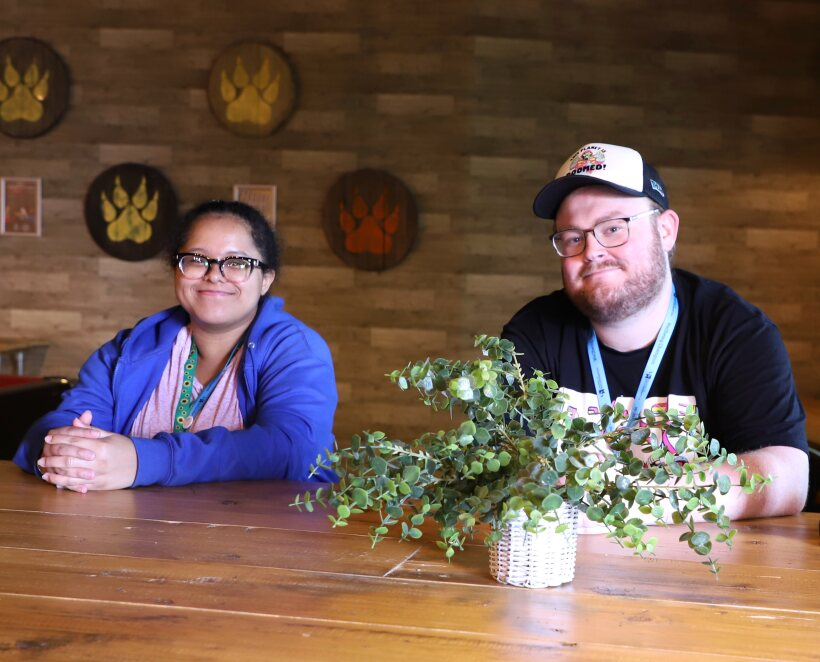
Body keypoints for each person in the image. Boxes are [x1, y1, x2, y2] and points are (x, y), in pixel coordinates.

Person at [502, 142, 808, 520]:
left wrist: (632, 498)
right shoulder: (532, 334)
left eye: (613, 228)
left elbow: (788, 479)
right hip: (567, 569)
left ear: (665, 230)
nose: (591, 251)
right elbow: (504, 470)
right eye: (572, 237)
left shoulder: (735, 332)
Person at [14, 200, 338, 491]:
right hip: (132, 538)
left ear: (266, 278)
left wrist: (146, 460)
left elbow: (294, 449)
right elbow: (69, 419)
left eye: (237, 262)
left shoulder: (296, 350)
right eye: (197, 260)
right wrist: (61, 449)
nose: (214, 275)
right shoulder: (128, 348)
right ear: (176, 270)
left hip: (263, 544)